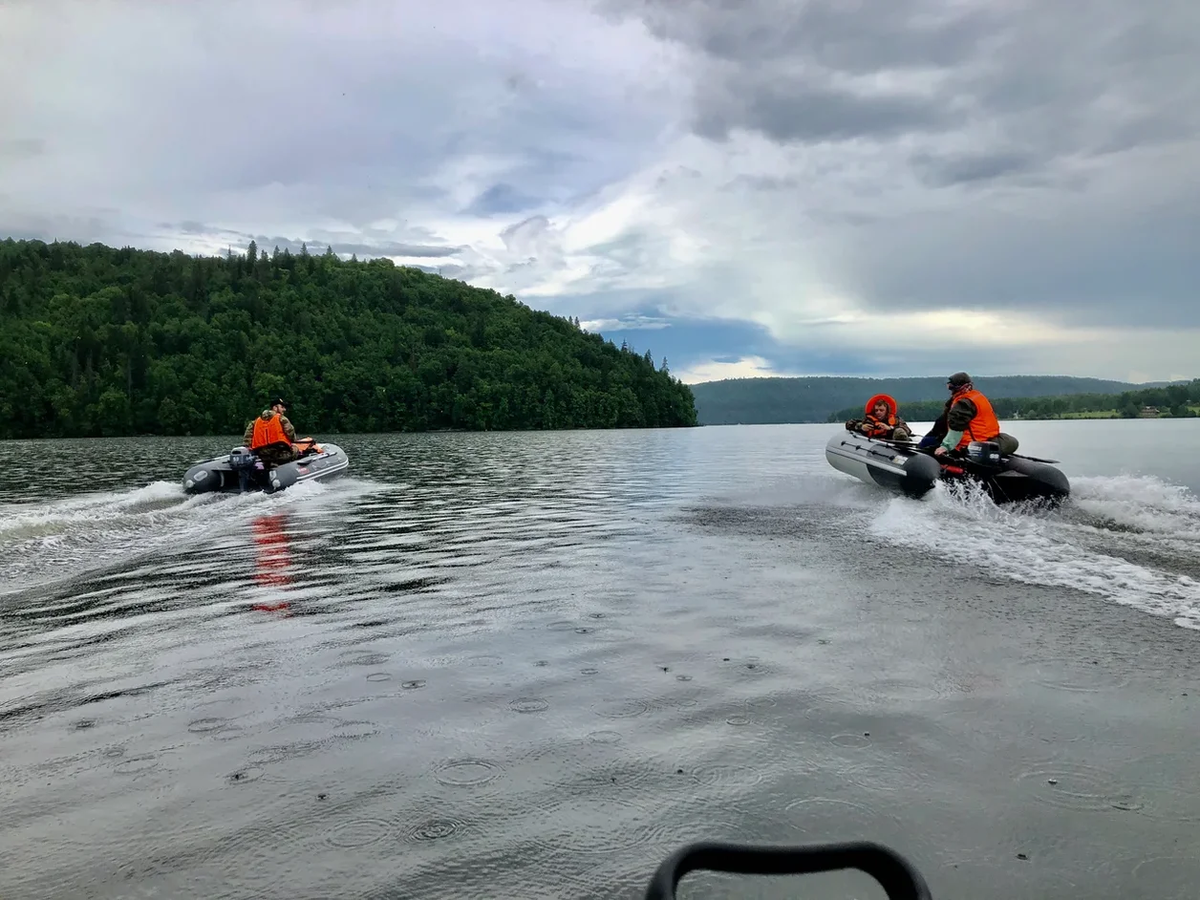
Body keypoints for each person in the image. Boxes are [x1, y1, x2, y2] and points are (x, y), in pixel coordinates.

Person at [917, 372, 1019, 457]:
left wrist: (945, 447)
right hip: (988, 439)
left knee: (926, 443)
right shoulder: (977, 397)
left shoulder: (963, 404)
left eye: (951, 387)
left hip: (969, 445)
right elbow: (941, 422)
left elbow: (956, 428)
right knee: (929, 439)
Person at [243, 397, 317, 469]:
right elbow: (292, 436)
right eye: (282, 407)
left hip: (263, 456)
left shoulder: (255, 422)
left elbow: (247, 441)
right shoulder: (282, 419)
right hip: (281, 454)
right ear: (275, 407)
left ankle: (269, 466)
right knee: (296, 449)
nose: (284, 409)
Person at [845, 393, 913, 442]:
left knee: (899, 431)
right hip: (873, 443)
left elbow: (907, 429)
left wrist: (890, 428)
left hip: (893, 443)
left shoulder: (896, 420)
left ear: (886, 411)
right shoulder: (868, 420)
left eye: (881, 410)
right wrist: (861, 426)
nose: (878, 412)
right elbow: (849, 424)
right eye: (876, 410)